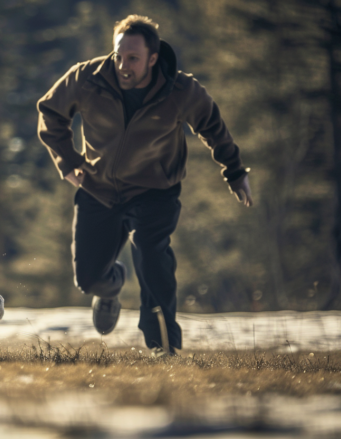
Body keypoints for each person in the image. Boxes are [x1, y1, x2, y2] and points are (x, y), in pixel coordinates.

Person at [36, 15, 252, 355]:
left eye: (133, 58)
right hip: (99, 189)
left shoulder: (180, 90)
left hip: (155, 191)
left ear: (152, 58)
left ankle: (162, 346)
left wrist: (235, 172)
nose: (123, 65)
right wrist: (68, 161)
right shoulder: (87, 78)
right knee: (89, 278)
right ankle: (110, 289)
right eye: (119, 55)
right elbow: (50, 112)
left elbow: (212, 126)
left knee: (152, 259)